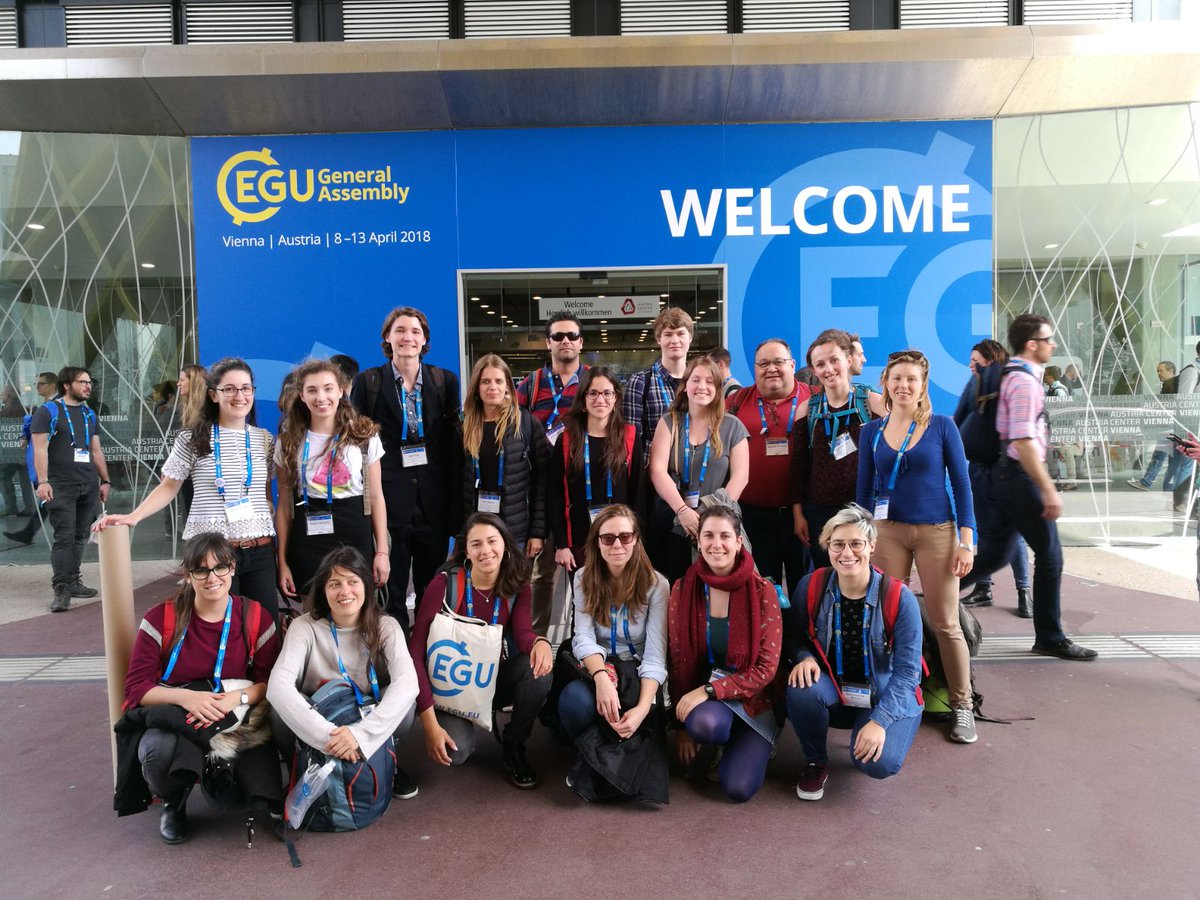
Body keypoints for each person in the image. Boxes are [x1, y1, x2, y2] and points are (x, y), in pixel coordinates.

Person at [118, 533, 282, 843]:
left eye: (220, 567)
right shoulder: (162, 618)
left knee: (229, 803)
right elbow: (136, 688)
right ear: (188, 575)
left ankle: (217, 775)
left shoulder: (255, 617)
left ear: (233, 568)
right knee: (155, 751)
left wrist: (238, 696)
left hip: (231, 712)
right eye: (201, 570)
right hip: (178, 714)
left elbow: (272, 681)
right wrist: (188, 698)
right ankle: (173, 800)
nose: (212, 578)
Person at [95, 358, 281, 620]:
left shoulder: (264, 439)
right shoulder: (192, 438)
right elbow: (169, 486)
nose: (239, 396)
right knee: (218, 629)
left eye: (245, 388)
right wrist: (132, 517)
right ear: (213, 395)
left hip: (259, 550)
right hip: (212, 555)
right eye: (229, 389)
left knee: (265, 627)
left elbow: (263, 495)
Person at [959, 314, 1098, 660]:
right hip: (1018, 477)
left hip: (998, 476)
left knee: (994, 554)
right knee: (1050, 556)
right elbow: (1021, 439)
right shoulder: (1023, 382)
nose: (1053, 344)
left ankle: (933, 596)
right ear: (1031, 344)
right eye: (1049, 339)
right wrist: (1048, 488)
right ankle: (1050, 636)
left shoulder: (1008, 376)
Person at [856, 349, 976, 743]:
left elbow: (961, 485)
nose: (903, 385)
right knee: (885, 621)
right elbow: (863, 491)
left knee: (945, 622)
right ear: (885, 384)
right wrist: (861, 539)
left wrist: (966, 540)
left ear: (923, 386)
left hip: (936, 532)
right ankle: (889, 699)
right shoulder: (871, 432)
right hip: (886, 532)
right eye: (896, 378)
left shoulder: (942, 427)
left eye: (911, 379)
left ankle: (962, 705)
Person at [782, 504, 923, 800]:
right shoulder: (811, 586)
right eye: (838, 544)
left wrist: (881, 720)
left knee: (878, 764)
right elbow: (794, 638)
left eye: (856, 543)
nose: (847, 553)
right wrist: (805, 659)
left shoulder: (900, 598)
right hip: (833, 689)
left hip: (881, 694)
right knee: (801, 687)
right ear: (827, 548)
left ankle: (872, 731)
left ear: (871, 546)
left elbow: (908, 674)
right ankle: (815, 760)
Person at [409, 513, 553, 788]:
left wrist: (541, 643)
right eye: (476, 544)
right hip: (450, 685)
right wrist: (428, 723)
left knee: (539, 671)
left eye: (492, 541)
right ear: (466, 551)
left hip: (492, 677)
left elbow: (523, 635)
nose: (486, 551)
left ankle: (514, 743)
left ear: (506, 545)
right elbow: (415, 653)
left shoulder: (517, 583)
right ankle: (450, 724)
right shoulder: (445, 583)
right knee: (456, 752)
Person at [267, 546, 419, 803]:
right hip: (319, 714)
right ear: (324, 592)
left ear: (366, 586)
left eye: (352, 582)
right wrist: (330, 737)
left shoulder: (386, 626)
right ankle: (300, 772)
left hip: (364, 715)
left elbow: (408, 683)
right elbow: (277, 686)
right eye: (334, 584)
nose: (344, 591)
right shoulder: (304, 626)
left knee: (405, 707)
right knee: (280, 712)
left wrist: (360, 736)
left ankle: (384, 760)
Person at [351, 306, 461, 630]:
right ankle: (397, 660)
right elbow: (358, 448)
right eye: (400, 330)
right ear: (387, 337)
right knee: (392, 591)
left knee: (432, 592)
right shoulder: (368, 382)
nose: (407, 337)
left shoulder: (445, 381)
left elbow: (453, 451)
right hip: (390, 503)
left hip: (433, 504)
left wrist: (455, 511)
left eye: (415, 331)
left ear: (424, 339)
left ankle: (426, 655)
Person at [667, 504, 783, 803]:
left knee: (738, 789)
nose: (716, 544)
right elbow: (678, 660)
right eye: (708, 536)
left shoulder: (762, 591)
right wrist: (681, 725)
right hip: (712, 706)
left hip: (754, 700)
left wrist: (707, 690)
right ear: (698, 541)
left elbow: (765, 670)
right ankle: (720, 741)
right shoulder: (683, 589)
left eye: (724, 536)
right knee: (705, 726)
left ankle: (755, 741)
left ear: (738, 541)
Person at [558, 505, 669, 799]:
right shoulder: (583, 577)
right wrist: (601, 678)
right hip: (601, 665)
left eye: (625, 536)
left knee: (637, 717)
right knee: (575, 701)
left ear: (636, 539)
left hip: (638, 672)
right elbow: (582, 638)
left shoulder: (658, 585)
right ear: (597, 543)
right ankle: (586, 753)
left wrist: (644, 708)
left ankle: (599, 761)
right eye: (607, 538)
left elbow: (656, 656)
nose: (617, 544)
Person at [274, 360, 389, 602]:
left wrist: (382, 552)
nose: (321, 397)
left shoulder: (364, 436)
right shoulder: (288, 442)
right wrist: (282, 561)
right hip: (308, 537)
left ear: (341, 391)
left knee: (356, 611)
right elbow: (284, 506)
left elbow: (377, 497)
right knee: (313, 613)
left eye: (328, 388)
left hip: (355, 532)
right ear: (302, 396)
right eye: (312, 390)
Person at [790, 329, 886, 572]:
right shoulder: (806, 410)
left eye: (834, 360)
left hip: (865, 510)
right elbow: (799, 468)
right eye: (820, 364)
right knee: (828, 578)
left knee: (866, 577)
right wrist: (798, 514)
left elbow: (892, 458)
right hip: (820, 514)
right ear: (813, 371)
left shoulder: (873, 404)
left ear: (849, 360)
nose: (829, 369)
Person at [516, 311, 587, 636]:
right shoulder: (530, 384)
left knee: (585, 572)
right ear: (548, 343)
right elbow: (508, 421)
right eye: (558, 336)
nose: (566, 341)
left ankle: (580, 642)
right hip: (535, 487)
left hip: (577, 490)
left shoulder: (591, 383)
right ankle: (536, 640)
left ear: (581, 342)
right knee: (539, 573)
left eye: (571, 335)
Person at [649, 357, 749, 584]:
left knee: (715, 591)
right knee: (674, 590)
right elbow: (657, 471)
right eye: (696, 380)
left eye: (709, 381)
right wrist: (683, 511)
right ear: (685, 386)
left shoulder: (733, 426)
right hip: (673, 526)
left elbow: (740, 477)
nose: (702, 386)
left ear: (718, 388)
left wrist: (713, 518)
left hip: (717, 529)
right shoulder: (669, 422)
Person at [725, 338, 812, 595]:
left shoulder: (815, 398)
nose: (771, 368)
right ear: (754, 368)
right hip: (754, 517)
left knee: (805, 588)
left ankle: (802, 636)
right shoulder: (736, 403)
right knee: (761, 588)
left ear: (792, 364)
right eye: (763, 363)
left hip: (803, 515)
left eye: (778, 362)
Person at [955, 339, 1032, 616]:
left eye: (976, 361)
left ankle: (1023, 591)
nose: (971, 366)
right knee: (987, 532)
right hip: (982, 470)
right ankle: (985, 588)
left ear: (991, 360)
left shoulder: (1009, 386)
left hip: (1004, 471)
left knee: (1012, 537)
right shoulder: (979, 387)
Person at [31, 366, 112, 612]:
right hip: (60, 486)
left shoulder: (89, 414)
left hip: (87, 483)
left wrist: (105, 481)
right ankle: (62, 588)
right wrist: (43, 481)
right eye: (83, 382)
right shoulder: (48, 412)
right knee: (64, 538)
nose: (88, 386)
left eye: (90, 382)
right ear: (67, 385)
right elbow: (40, 449)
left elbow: (95, 450)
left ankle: (74, 581)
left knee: (80, 537)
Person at [456, 353, 550, 554]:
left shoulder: (526, 424)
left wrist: (537, 532)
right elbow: (454, 482)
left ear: (508, 385)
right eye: (485, 382)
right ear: (476, 387)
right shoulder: (463, 426)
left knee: (515, 586)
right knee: (480, 585)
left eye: (499, 381)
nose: (492, 387)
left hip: (516, 533)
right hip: (476, 532)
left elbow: (542, 482)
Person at [549, 367, 640, 571]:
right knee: (584, 601)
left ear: (616, 397)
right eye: (593, 393)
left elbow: (638, 493)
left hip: (621, 542)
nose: (601, 400)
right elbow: (554, 494)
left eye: (607, 393)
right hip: (580, 541)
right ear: (583, 400)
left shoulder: (629, 437)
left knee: (621, 599)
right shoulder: (566, 440)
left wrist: (636, 539)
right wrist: (561, 544)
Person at [622, 306, 693, 463]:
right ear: (659, 339)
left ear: (690, 338)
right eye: (668, 334)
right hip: (653, 473)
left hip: (695, 474)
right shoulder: (640, 382)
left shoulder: (701, 382)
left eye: (681, 333)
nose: (675, 340)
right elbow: (632, 441)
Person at [4, 372, 58, 546]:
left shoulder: (56, 405)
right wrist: (26, 435)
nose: (37, 387)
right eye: (36, 383)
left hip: (55, 462)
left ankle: (93, 524)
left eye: (41, 384)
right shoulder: (47, 405)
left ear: (52, 385)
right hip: (48, 462)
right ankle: (28, 533)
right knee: (50, 500)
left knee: (53, 500)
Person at [1130, 361, 1183, 493]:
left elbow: (1164, 406)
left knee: (1160, 455)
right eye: (1157, 371)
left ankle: (1147, 482)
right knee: (1171, 459)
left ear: (1171, 370)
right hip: (1175, 427)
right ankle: (1168, 486)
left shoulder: (1169, 384)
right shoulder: (1179, 383)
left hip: (1168, 427)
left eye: (1161, 371)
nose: (1158, 374)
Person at [0, 385, 33, 519]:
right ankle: (30, 507)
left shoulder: (6, 411)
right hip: (26, 451)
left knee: (3, 477)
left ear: (8, 396)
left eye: (3, 394)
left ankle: (10, 506)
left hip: (10, 453)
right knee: (26, 480)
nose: (1, 396)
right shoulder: (27, 409)